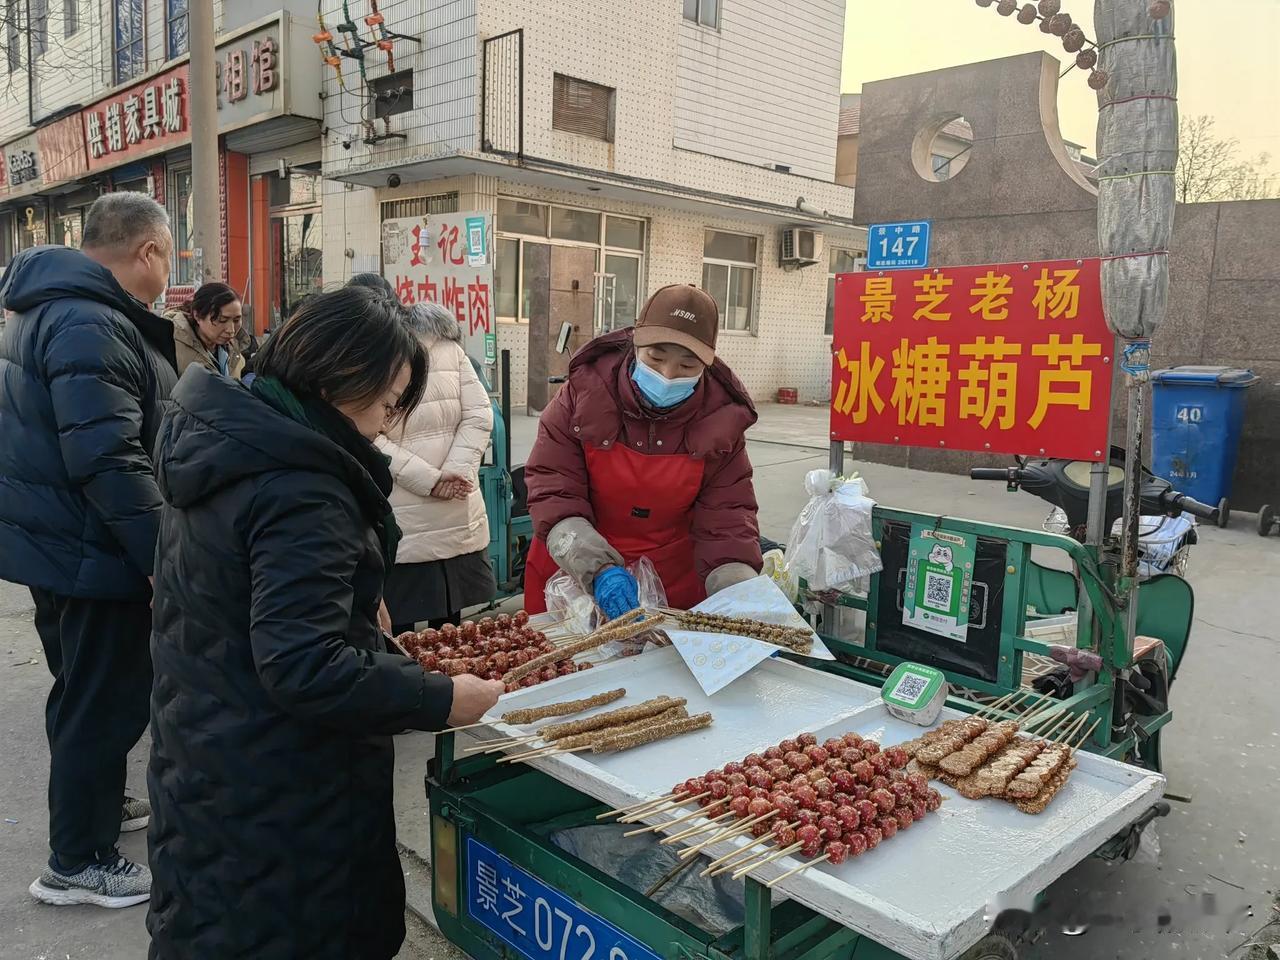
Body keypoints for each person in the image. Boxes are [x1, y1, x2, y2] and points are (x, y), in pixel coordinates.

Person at [145, 287, 503, 960]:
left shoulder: (233, 437)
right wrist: (439, 698)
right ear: (340, 378)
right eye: (389, 402)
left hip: (211, 760)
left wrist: (354, 610)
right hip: (283, 804)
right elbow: (304, 666)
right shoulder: (300, 485)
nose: (389, 426)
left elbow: (246, 603)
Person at [0, 192, 178, 907]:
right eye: (169, 255)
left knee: (81, 692)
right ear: (148, 252)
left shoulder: (51, 306)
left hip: (60, 543)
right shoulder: (88, 320)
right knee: (102, 704)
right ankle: (78, 860)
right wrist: (165, 560)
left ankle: (96, 811)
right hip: (93, 550)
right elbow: (109, 461)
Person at [523, 284, 762, 618]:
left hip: (668, 582)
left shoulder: (721, 422)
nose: (667, 375)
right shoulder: (582, 397)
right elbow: (554, 491)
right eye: (656, 358)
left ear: (707, 365)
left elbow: (727, 520)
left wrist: (740, 592)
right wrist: (599, 569)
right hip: (574, 568)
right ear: (635, 343)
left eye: (686, 366)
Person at [377, 303, 497, 633]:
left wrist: (432, 481)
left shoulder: (378, 353)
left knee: (401, 635)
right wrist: (453, 474)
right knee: (453, 631)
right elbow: (481, 415)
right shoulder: (451, 349)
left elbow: (370, 435)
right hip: (455, 504)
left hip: (405, 515)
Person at [163, 281, 245, 378]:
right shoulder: (171, 345)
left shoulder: (234, 350)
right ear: (197, 315)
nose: (231, 330)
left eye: (236, 320)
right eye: (222, 320)